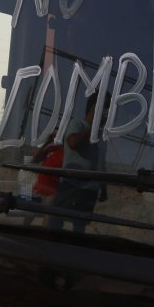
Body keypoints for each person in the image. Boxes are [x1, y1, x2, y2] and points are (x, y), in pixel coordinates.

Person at [49, 94, 106, 232]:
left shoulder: (102, 135)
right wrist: (93, 128)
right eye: (105, 110)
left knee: (79, 227)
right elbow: (73, 143)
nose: (107, 116)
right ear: (95, 109)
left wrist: (103, 188)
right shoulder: (78, 124)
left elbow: (101, 163)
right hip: (71, 185)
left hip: (90, 190)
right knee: (56, 222)